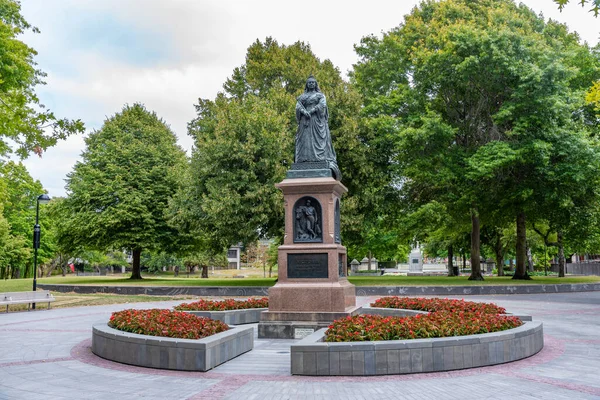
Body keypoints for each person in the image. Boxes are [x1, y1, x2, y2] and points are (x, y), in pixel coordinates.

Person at [295, 76, 341, 180]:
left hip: (316, 120)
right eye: (309, 82)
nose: (311, 84)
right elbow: (298, 107)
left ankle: (318, 160)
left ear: (316, 84)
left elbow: (322, 105)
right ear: (307, 84)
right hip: (305, 122)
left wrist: (311, 111)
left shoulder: (320, 95)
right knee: (304, 140)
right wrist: (303, 112)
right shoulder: (302, 97)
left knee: (317, 141)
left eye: (313, 82)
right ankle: (304, 160)